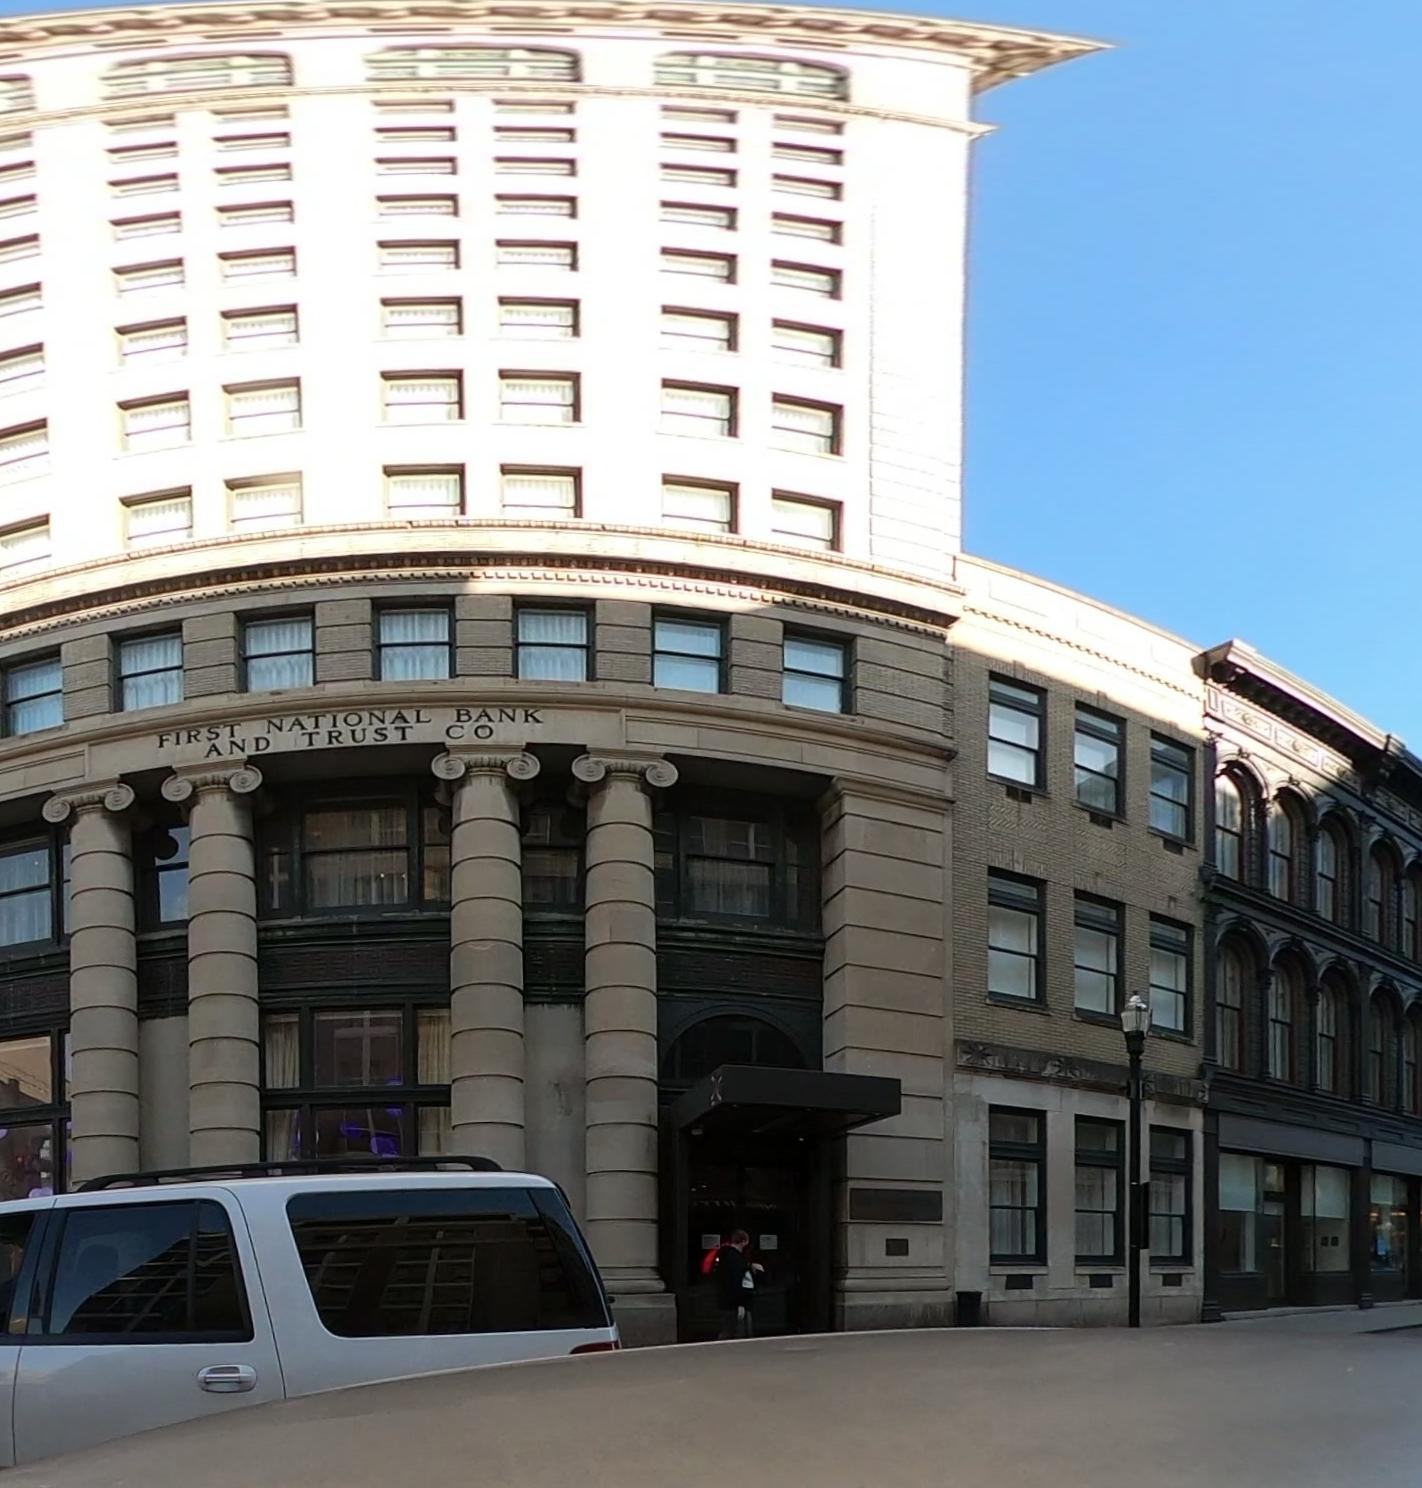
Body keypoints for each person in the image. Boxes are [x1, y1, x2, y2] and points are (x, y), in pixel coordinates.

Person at [712, 1229, 763, 1340]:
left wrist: (750, 1266)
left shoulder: (726, 1256)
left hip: (726, 1300)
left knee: (729, 1330)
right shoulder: (736, 1259)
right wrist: (740, 1304)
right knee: (736, 1333)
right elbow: (736, 1281)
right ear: (743, 1242)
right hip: (734, 1303)